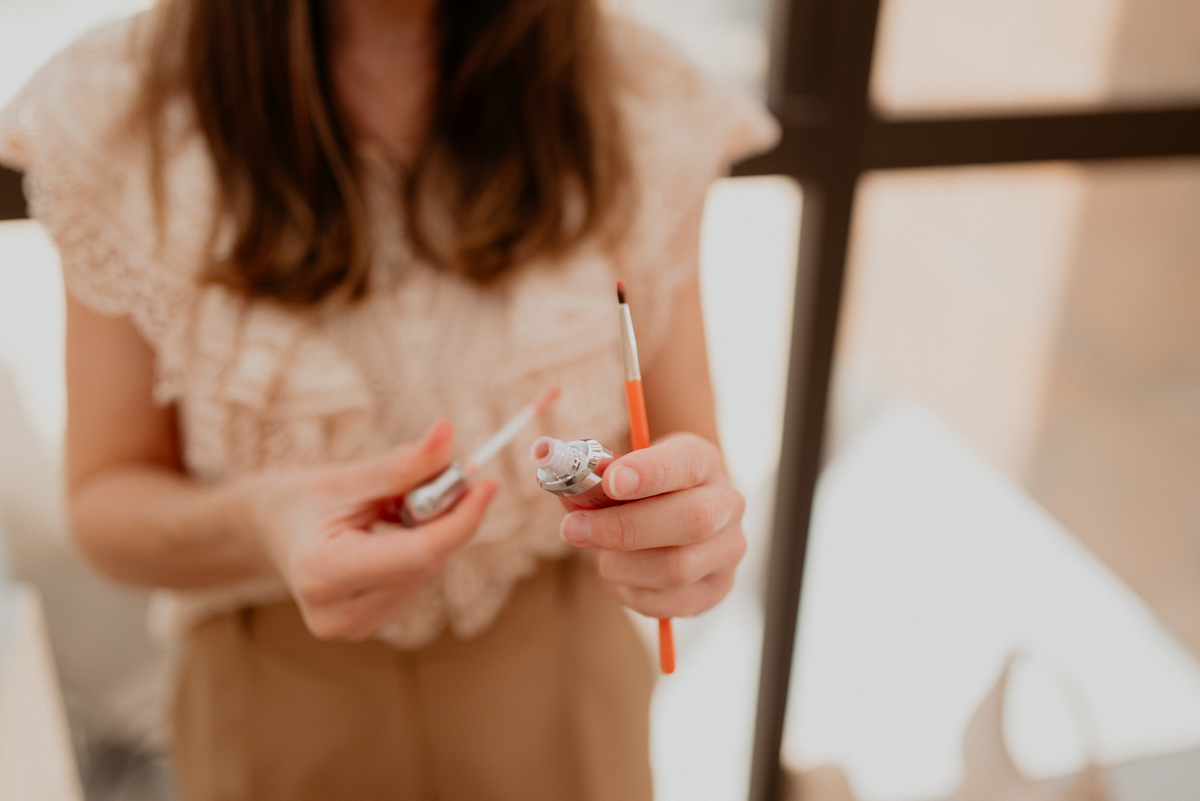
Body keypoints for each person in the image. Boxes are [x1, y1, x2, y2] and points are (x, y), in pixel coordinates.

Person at [0, 0, 778, 798]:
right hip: (271, 718)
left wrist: (686, 532)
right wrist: (261, 524)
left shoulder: (638, 98)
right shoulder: (119, 113)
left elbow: (689, 455)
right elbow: (103, 501)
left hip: (568, 702)